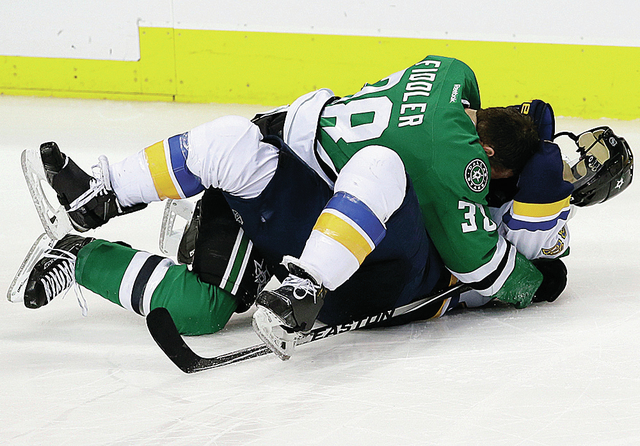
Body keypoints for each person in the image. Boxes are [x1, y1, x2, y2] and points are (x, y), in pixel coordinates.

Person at [15, 55, 633, 358]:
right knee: (255, 165)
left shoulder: (453, 82)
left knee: (201, 308)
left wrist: (546, 205)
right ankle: (99, 195)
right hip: (336, 223)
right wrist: (541, 275)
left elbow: (499, 263)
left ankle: (86, 245)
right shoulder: (474, 171)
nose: (573, 164)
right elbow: (501, 272)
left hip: (360, 242)